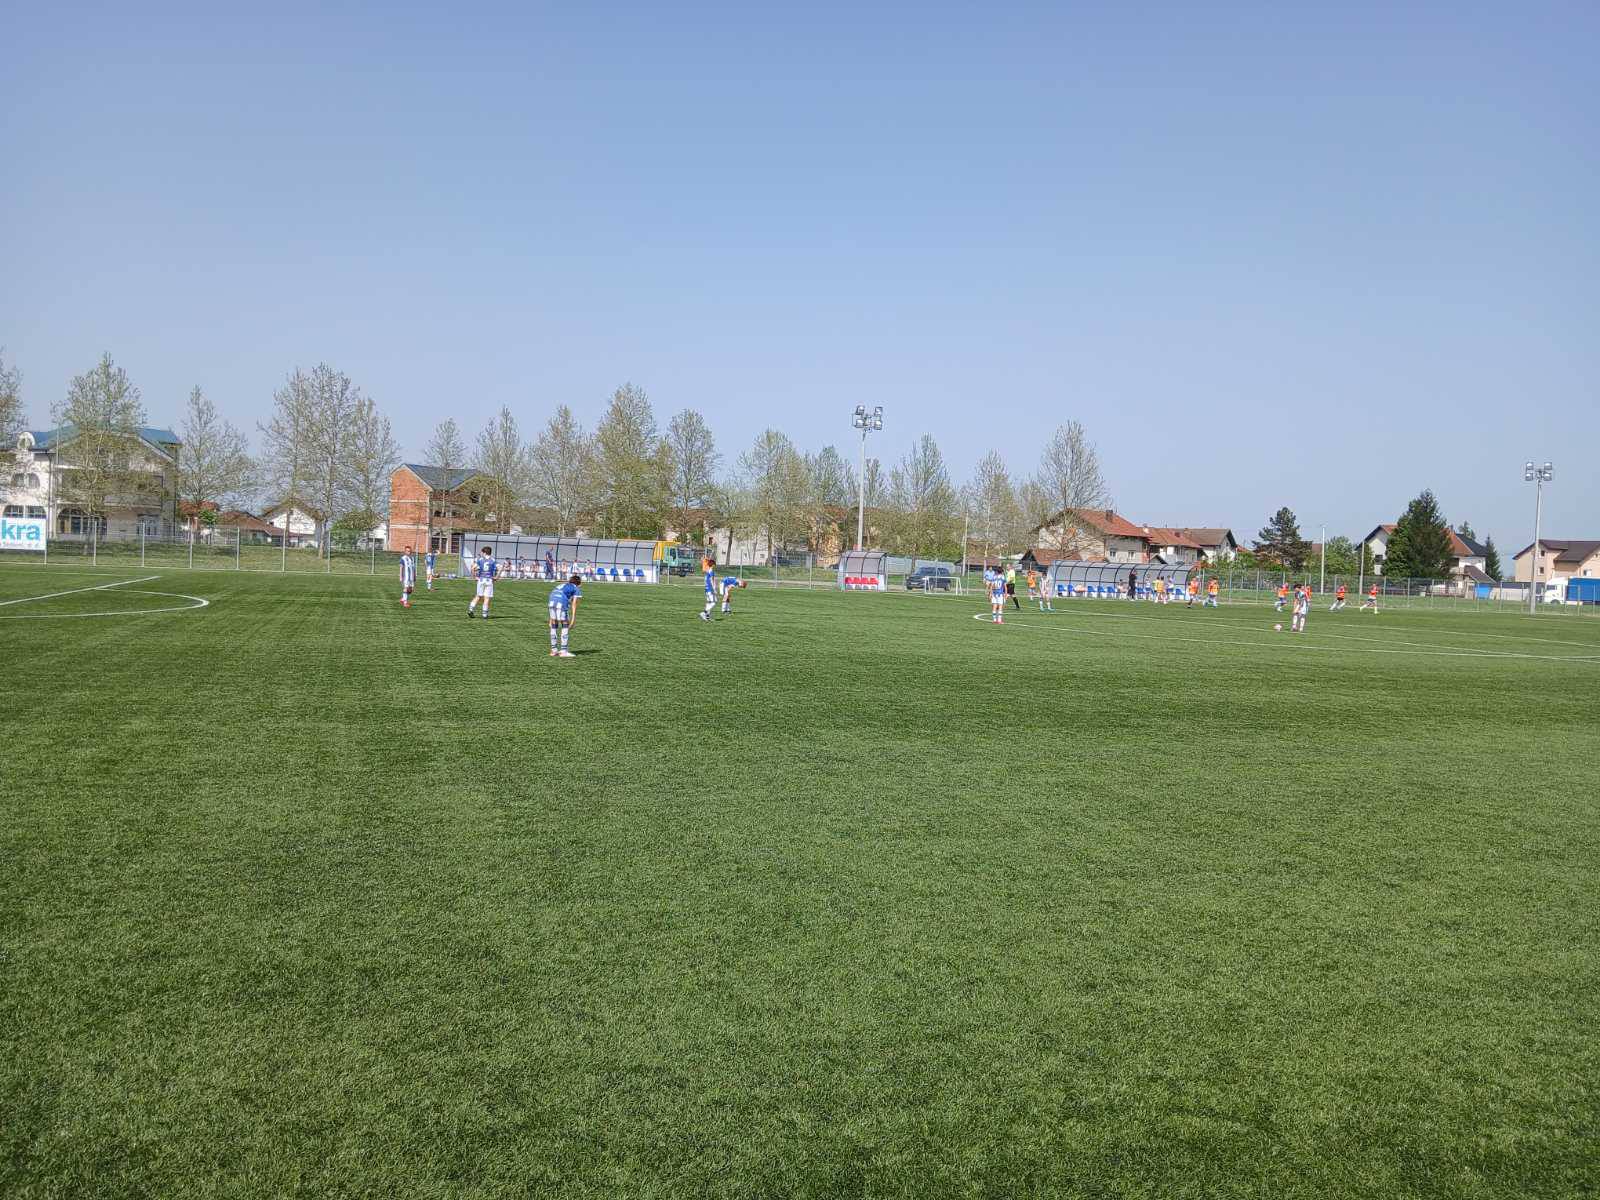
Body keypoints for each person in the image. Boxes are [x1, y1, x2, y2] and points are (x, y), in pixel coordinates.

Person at [548, 573, 582, 657]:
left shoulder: (561, 585)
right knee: (565, 625)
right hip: (561, 604)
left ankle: (553, 651)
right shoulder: (576, 588)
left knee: (554, 625)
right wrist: (573, 619)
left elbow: (553, 595)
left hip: (551, 603)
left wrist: (550, 618)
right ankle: (563, 651)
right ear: (578, 583)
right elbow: (574, 604)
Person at [468, 546, 498, 618]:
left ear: (484, 553)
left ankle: (471, 609)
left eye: (482, 552)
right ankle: (484, 614)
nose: (481, 553)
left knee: (478, 596)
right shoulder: (493, 560)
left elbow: (472, 568)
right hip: (489, 580)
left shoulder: (480, 560)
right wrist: (497, 577)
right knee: (487, 598)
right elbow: (500, 568)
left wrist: (474, 577)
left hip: (481, 580)